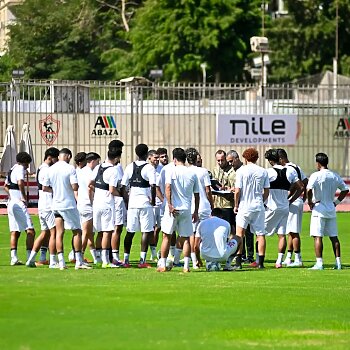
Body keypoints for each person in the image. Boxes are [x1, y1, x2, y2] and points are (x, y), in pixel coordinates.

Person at [43, 148, 90, 270]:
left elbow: (45, 188)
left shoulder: (51, 169)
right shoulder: (70, 169)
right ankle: (79, 261)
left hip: (56, 205)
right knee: (77, 232)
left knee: (59, 233)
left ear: (59, 156)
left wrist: (56, 190)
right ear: (68, 156)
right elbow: (75, 187)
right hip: (68, 204)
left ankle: (61, 262)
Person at [157, 147, 199, 273]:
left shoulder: (172, 171)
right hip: (186, 209)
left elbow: (168, 188)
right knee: (186, 237)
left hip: (173, 208)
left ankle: (163, 264)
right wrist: (195, 211)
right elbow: (197, 194)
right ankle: (186, 266)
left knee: (166, 236)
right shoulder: (192, 173)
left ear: (174, 159)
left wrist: (169, 204)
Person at [307, 153, 349, 270]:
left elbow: (309, 189)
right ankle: (338, 262)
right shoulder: (334, 175)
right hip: (331, 207)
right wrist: (336, 202)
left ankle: (319, 263)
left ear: (318, 163)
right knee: (334, 237)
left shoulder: (316, 175)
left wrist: (310, 202)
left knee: (317, 236)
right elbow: (345, 190)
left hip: (319, 208)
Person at [264, 149, 303, 268]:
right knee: (282, 235)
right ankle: (279, 261)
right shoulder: (291, 170)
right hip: (285, 207)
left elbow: (263, 189)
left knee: (260, 233)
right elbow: (301, 186)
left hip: (272, 207)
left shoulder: (268, 172)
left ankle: (258, 259)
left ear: (271, 161)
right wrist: (291, 199)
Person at [121, 143, 156, 268]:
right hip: (145, 203)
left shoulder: (130, 166)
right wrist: (152, 201)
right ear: (147, 154)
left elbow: (123, 186)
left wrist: (127, 200)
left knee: (130, 231)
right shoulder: (149, 168)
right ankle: (142, 261)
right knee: (146, 231)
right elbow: (153, 185)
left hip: (132, 204)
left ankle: (126, 260)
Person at [233, 148, 269, 270]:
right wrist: (262, 201)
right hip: (258, 205)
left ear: (245, 158)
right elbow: (266, 191)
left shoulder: (241, 171)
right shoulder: (263, 171)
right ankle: (261, 263)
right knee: (260, 234)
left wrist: (236, 205)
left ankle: (238, 262)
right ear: (256, 158)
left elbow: (237, 191)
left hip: (244, 206)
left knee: (239, 234)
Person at [26, 147, 60, 268]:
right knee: (54, 232)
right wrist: (57, 190)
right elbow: (45, 187)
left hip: (42, 205)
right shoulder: (47, 170)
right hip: (48, 205)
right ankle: (53, 260)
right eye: (56, 159)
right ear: (50, 157)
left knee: (44, 233)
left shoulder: (41, 168)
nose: (56, 161)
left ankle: (31, 259)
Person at [90, 150, 122, 268]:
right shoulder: (113, 170)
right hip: (107, 204)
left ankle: (97, 259)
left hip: (96, 203)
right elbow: (112, 189)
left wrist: (97, 192)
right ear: (117, 158)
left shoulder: (98, 167)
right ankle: (105, 261)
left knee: (99, 231)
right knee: (107, 232)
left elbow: (90, 183)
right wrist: (122, 196)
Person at [277, 149, 308, 267]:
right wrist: (303, 197)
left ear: (281, 159)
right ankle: (289, 257)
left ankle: (298, 259)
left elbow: (297, 185)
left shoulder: (288, 169)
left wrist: (290, 199)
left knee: (294, 231)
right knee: (290, 230)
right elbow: (305, 181)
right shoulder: (296, 166)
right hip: (297, 201)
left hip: (293, 202)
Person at [4, 151, 36, 266]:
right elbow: (21, 183)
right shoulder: (20, 169)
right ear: (25, 162)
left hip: (11, 203)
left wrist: (12, 196)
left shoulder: (11, 169)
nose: (27, 166)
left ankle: (14, 258)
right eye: (27, 164)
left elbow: (5, 186)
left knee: (15, 231)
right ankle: (29, 257)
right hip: (18, 203)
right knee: (30, 230)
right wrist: (23, 197)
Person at [186, 148, 213, 269]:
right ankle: (207, 259)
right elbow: (208, 190)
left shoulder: (185, 171)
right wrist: (212, 204)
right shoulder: (203, 171)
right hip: (204, 206)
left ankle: (195, 260)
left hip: (190, 207)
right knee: (206, 234)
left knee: (192, 234)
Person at [226, 149, 254, 263]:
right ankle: (241, 255)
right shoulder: (232, 171)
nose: (230, 164)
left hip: (244, 204)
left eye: (231, 161)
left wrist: (236, 192)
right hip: (235, 204)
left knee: (248, 232)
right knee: (238, 232)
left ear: (237, 158)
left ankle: (250, 255)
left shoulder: (244, 170)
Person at [77, 152, 101, 264]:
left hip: (81, 204)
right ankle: (80, 257)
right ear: (92, 161)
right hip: (87, 205)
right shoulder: (89, 173)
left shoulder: (81, 171)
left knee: (90, 233)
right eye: (97, 161)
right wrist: (92, 202)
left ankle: (96, 258)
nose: (98, 164)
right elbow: (90, 187)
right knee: (86, 233)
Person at [108, 139, 126, 266]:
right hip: (115, 201)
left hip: (108, 201)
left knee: (110, 229)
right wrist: (122, 196)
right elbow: (117, 186)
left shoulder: (103, 165)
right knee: (117, 227)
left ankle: (108, 255)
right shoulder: (115, 167)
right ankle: (114, 256)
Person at [211, 150, 235, 232]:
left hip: (228, 204)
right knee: (217, 229)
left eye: (222, 160)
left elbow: (236, 187)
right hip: (217, 204)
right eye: (218, 160)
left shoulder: (232, 170)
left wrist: (228, 188)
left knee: (229, 228)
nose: (220, 162)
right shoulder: (215, 170)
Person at [147, 149, 162, 261]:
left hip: (161, 204)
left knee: (160, 228)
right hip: (151, 204)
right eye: (155, 158)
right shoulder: (147, 169)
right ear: (149, 158)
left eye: (158, 158)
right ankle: (152, 253)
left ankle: (157, 252)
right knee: (151, 229)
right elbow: (154, 187)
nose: (157, 160)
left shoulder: (162, 170)